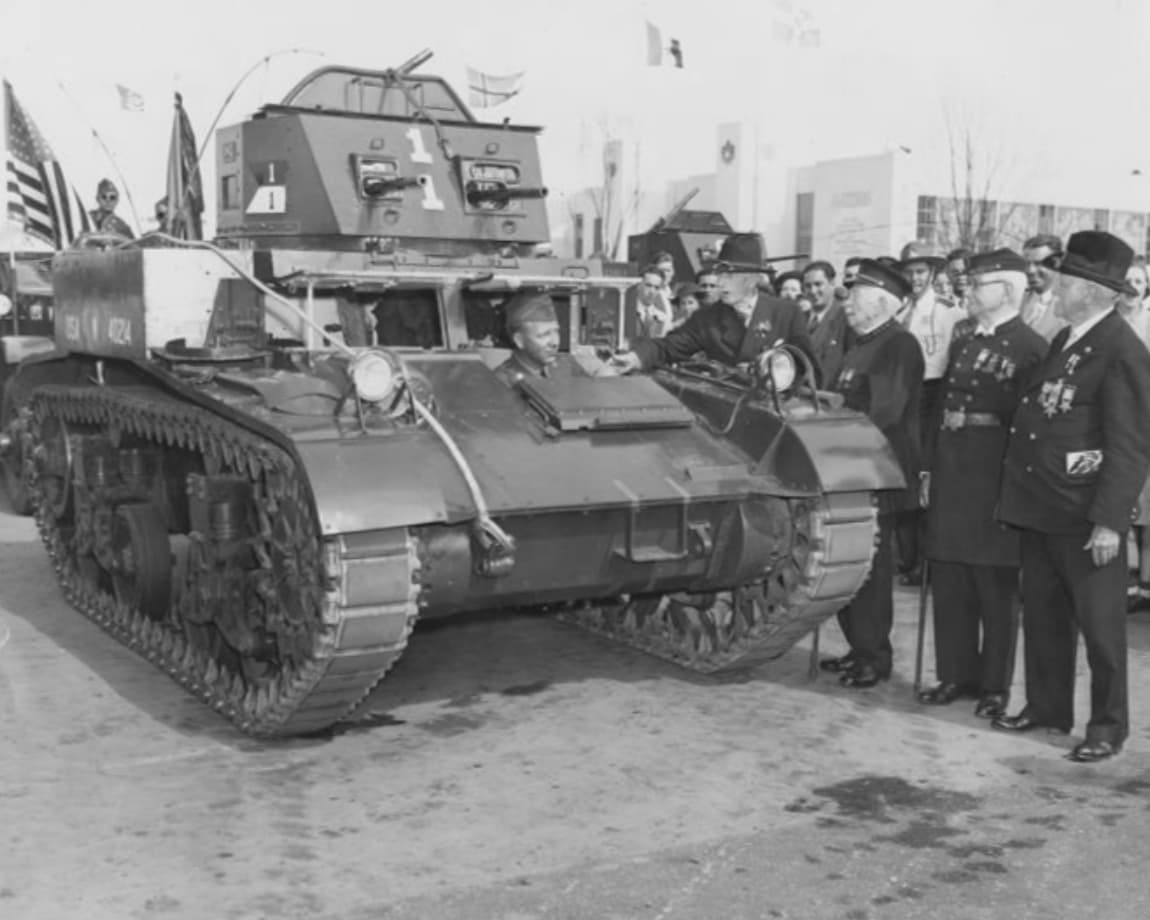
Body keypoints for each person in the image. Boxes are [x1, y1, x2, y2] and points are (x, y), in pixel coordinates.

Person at [993, 231, 1150, 763]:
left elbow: (1128, 447)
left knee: (1102, 631)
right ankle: (1047, 706)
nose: (1054, 285)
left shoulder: (1122, 350)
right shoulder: (1068, 339)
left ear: (1090, 289)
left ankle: (1107, 727)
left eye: (1065, 279)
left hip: (1086, 516)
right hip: (1043, 506)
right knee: (1043, 617)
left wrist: (1110, 522)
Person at [918, 249, 1047, 719]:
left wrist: (1017, 489)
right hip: (954, 473)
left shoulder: (1032, 348)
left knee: (995, 589)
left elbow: (1031, 430)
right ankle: (956, 674)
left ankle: (995, 685)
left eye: (977, 285)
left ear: (1007, 291)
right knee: (951, 579)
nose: (967, 292)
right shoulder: (967, 341)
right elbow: (940, 410)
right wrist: (929, 467)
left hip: (994, 479)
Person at [819, 259, 924, 688]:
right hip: (849, 470)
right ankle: (858, 647)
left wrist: (835, 414)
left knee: (872, 569)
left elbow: (886, 411)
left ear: (882, 302)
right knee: (848, 563)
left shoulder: (899, 345)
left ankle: (875, 656)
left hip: (879, 471)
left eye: (857, 295)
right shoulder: (860, 343)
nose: (847, 301)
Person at [611, 233, 814, 376]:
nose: (720, 282)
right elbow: (667, 347)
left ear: (752, 278)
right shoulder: (707, 319)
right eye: (719, 274)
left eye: (729, 276)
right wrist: (637, 357)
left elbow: (809, 369)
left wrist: (778, 371)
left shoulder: (787, 314)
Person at [895, 241, 962, 586]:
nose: (914, 278)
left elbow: (951, 359)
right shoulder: (897, 308)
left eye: (920, 271)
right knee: (903, 474)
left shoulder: (947, 310)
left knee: (925, 474)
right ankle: (908, 559)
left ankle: (926, 560)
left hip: (931, 393)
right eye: (909, 271)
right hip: (902, 395)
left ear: (932, 273)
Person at [1118, 258, 1150, 611]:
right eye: (1127, 280)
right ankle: (1125, 583)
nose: (1133, 287)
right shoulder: (1111, 322)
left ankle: (1146, 584)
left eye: (1139, 281)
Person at [494, 292, 585, 386]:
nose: (555, 342)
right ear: (519, 340)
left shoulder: (567, 365)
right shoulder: (502, 382)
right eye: (544, 335)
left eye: (556, 331)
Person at [803, 259, 849, 386]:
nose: (812, 291)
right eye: (808, 286)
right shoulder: (800, 319)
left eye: (818, 284)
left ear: (832, 283)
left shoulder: (845, 318)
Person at [1020, 234, 1067, 342]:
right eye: (1027, 264)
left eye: (1038, 264)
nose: (1030, 270)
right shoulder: (1018, 301)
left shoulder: (1070, 305)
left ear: (1056, 263)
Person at [635, 265, 674, 338]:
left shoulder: (663, 319)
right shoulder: (627, 313)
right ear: (638, 285)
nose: (652, 291)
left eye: (656, 287)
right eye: (648, 285)